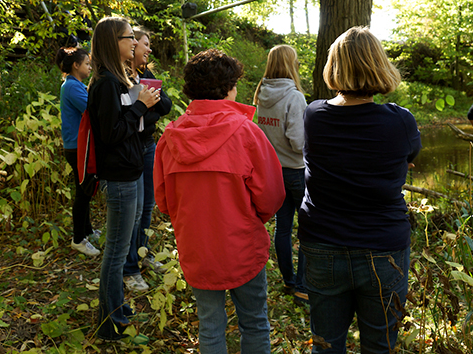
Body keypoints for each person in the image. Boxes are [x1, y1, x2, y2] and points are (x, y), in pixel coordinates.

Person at [298, 26, 421, 354]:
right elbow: (409, 158)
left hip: (322, 244)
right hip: (383, 246)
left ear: (333, 67)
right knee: (380, 346)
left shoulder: (313, 114)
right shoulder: (401, 121)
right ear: (379, 65)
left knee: (326, 345)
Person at [153, 49, 285, 354]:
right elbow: (272, 195)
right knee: (254, 322)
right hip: (242, 245)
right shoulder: (246, 133)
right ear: (228, 87)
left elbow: (163, 201)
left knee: (210, 325)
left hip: (197, 246)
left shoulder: (170, 138)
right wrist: (249, 219)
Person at [87, 16, 160, 341]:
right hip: (118, 178)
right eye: (128, 37)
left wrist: (141, 105)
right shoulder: (105, 84)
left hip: (129, 172)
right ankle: (108, 323)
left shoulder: (122, 80)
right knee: (116, 252)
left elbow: (133, 123)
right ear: (111, 42)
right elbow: (112, 133)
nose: (134, 42)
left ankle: (115, 308)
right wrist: (140, 107)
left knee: (118, 249)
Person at [253, 45, 308, 302]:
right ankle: (303, 286)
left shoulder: (261, 93)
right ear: (290, 64)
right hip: (296, 172)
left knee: (282, 228)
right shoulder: (294, 97)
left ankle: (289, 281)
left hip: (272, 170)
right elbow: (298, 142)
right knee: (309, 229)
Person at [123, 26, 172, 292]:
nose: (148, 49)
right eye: (144, 44)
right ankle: (129, 267)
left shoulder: (145, 74)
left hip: (148, 145)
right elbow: (128, 117)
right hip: (131, 148)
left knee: (148, 205)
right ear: (132, 46)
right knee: (135, 208)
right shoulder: (119, 76)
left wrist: (145, 108)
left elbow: (165, 106)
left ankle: (142, 254)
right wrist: (144, 107)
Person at [55, 46, 100, 257]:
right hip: (76, 147)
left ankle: (87, 230)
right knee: (83, 191)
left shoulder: (75, 84)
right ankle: (78, 239)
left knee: (85, 187)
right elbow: (91, 110)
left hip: (78, 145)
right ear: (76, 65)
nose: (90, 68)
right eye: (87, 64)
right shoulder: (72, 87)